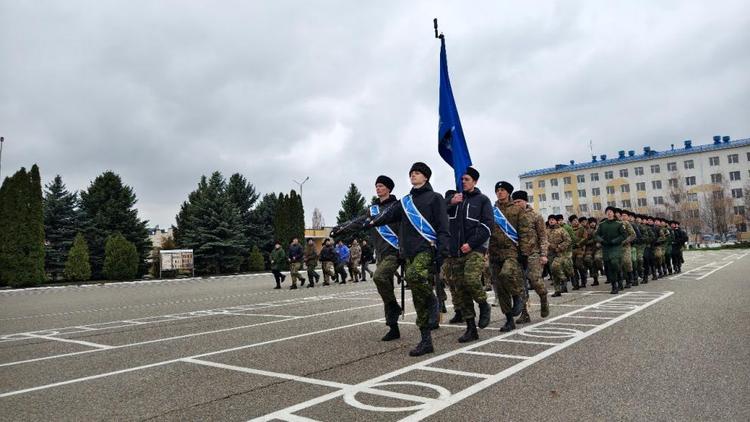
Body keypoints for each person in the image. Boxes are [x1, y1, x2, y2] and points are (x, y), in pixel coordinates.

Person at [370, 162, 450, 357]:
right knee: (417, 296)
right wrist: (369, 222)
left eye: (417, 173)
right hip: (409, 252)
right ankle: (426, 340)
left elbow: (443, 226)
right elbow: (388, 216)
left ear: (426, 177)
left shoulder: (435, 198)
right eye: (411, 173)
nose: (413, 176)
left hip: (426, 249)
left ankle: (434, 300)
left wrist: (443, 250)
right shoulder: (406, 201)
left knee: (414, 277)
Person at [443, 167, 493, 343]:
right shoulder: (455, 200)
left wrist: (471, 244)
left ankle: (483, 304)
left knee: (471, 280)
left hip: (475, 249)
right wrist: (451, 202)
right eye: (462, 179)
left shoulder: (482, 200)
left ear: (475, 181)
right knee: (461, 290)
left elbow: (487, 226)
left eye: (467, 179)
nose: (463, 182)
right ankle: (471, 328)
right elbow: (439, 216)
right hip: (455, 252)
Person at [488, 181, 530, 332]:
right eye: (497, 190)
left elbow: (525, 233)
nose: (500, 192)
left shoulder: (518, 210)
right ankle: (509, 319)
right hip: (494, 252)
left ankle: (517, 295)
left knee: (507, 274)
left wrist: (524, 254)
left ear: (509, 192)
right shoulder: (491, 211)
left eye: (503, 190)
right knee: (500, 288)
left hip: (511, 251)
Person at [368, 175, 403, 341]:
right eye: (376, 186)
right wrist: (341, 229)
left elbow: (404, 229)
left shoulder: (397, 206)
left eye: (381, 186)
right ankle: (393, 327)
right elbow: (360, 221)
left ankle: (432, 309)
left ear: (389, 188)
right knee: (385, 286)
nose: (378, 188)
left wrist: (403, 250)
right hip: (380, 253)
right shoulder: (372, 209)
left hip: (394, 251)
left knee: (379, 277)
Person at [512, 190, 549, 324]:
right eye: (514, 202)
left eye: (519, 201)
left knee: (535, 280)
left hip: (534, 253)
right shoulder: (511, 218)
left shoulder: (535, 216)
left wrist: (544, 254)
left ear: (525, 201)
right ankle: (524, 313)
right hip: (518, 255)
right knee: (520, 286)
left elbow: (543, 236)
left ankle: (543, 297)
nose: (517, 204)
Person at [595, 206, 628, 294]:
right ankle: (614, 286)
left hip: (615, 247)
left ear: (613, 213)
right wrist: (602, 240)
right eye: (607, 212)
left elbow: (624, 235)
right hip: (606, 247)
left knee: (614, 263)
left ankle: (620, 279)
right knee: (609, 266)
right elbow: (596, 235)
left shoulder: (619, 224)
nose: (609, 213)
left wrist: (614, 241)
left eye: (610, 211)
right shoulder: (602, 224)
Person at [547, 215, 572, 297]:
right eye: (550, 220)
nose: (551, 221)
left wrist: (560, 247)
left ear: (556, 221)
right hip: (550, 254)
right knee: (553, 272)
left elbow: (568, 240)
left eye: (553, 220)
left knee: (556, 267)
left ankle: (564, 278)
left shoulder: (561, 230)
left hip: (560, 253)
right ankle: (557, 290)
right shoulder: (546, 231)